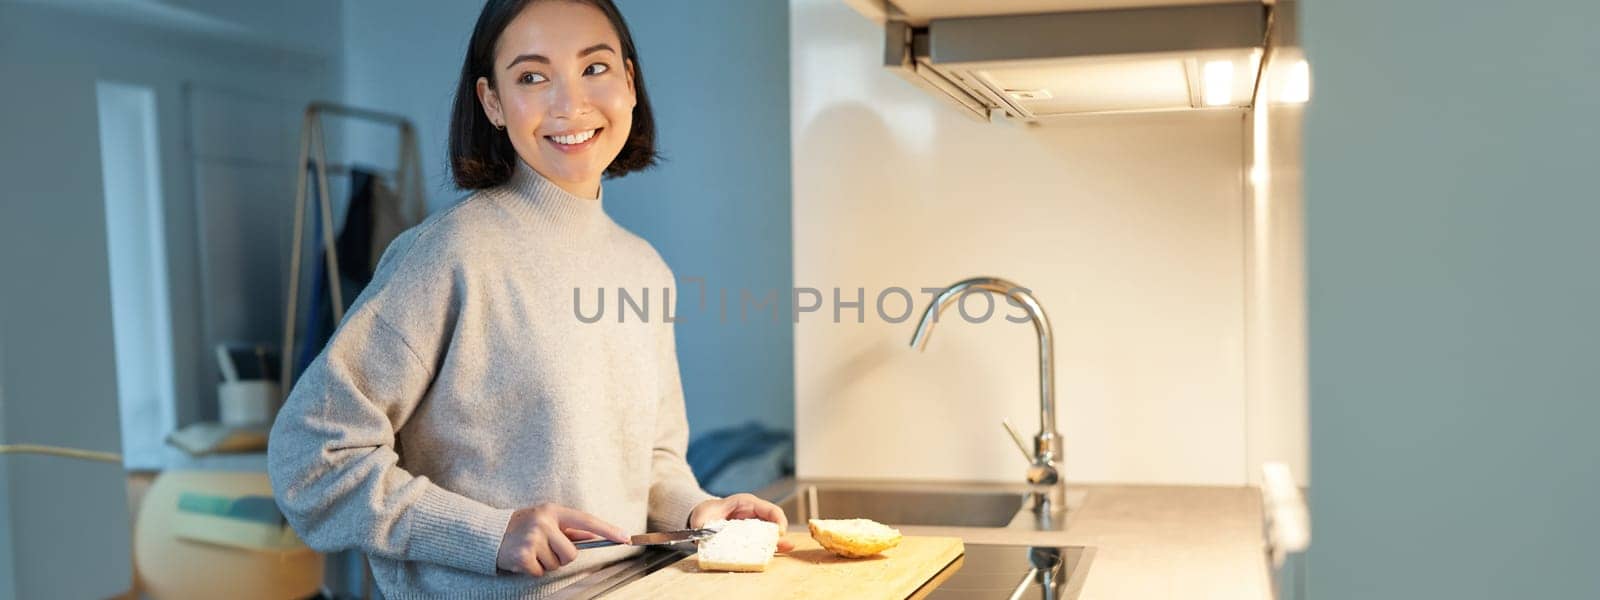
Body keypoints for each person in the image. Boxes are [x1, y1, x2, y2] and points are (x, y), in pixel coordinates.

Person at [267, 1, 791, 597]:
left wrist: (701, 513)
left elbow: (651, 462)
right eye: (533, 77)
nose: (570, 104)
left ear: (630, 82)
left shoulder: (645, 269)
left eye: (594, 68)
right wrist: (489, 533)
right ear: (492, 103)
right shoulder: (449, 255)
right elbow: (311, 459)